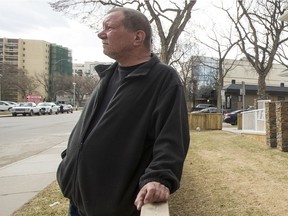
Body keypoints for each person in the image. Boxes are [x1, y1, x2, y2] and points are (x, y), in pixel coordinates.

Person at [56, 7, 190, 216]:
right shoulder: (107, 76)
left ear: (138, 37)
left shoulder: (164, 79)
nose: (101, 34)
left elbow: (172, 138)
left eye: (109, 27)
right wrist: (69, 160)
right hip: (77, 198)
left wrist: (159, 178)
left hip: (115, 206)